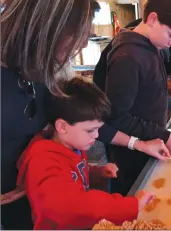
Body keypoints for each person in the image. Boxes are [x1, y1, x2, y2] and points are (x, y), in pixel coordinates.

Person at [0, 0, 168, 229]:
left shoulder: (43, 69)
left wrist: (137, 144)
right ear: (45, 28)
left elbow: (88, 121)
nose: (80, 46)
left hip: (37, 198)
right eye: (77, 37)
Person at [93, 0, 171, 195]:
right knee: (132, 195)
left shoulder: (152, 47)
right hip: (131, 151)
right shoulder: (129, 57)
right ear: (152, 19)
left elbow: (149, 94)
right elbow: (115, 116)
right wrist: (163, 134)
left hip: (149, 142)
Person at [15, 78, 155, 230]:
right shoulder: (43, 161)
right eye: (90, 130)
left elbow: (71, 175)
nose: (96, 136)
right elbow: (71, 206)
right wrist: (130, 205)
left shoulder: (71, 146)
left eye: (98, 129)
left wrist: (96, 173)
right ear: (62, 126)